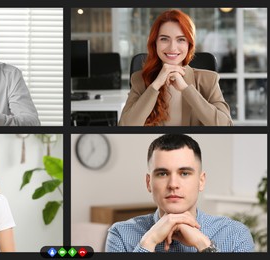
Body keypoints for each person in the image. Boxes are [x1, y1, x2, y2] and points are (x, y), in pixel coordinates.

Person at [105, 134, 254, 252]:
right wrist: (148, 242)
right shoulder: (120, 234)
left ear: (201, 181)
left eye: (184, 173)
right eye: (162, 174)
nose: (173, 185)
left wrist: (204, 245)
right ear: (148, 182)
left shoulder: (236, 234)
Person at [119, 9, 233, 126]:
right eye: (164, 39)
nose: (172, 47)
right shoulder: (139, 79)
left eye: (181, 39)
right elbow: (125, 126)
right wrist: (156, 85)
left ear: (189, 45)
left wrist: (186, 89)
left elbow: (226, 126)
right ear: (155, 43)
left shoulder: (209, 80)